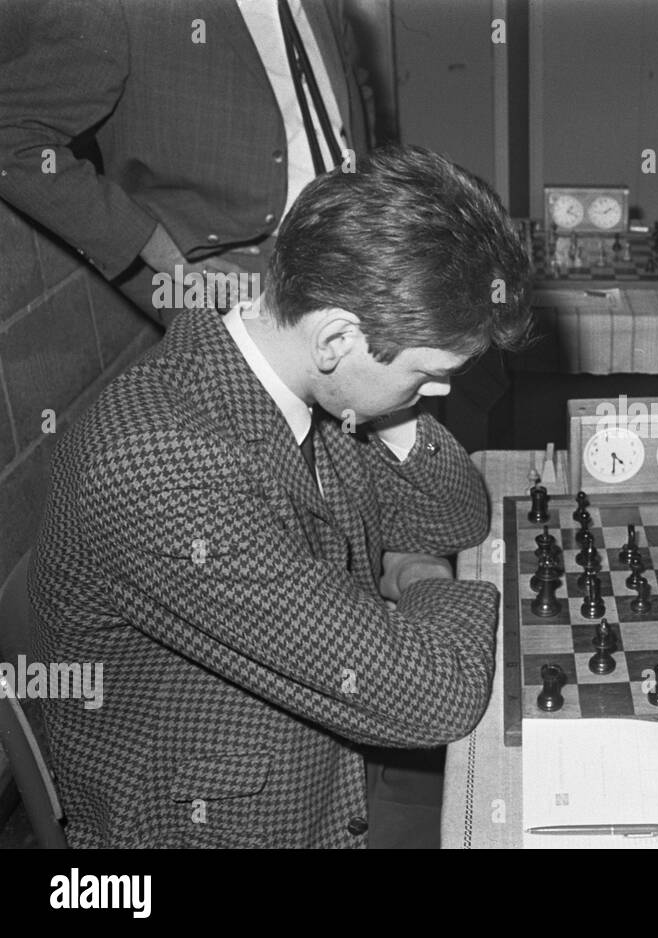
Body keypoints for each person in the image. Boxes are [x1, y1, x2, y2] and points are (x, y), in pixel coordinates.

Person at [29, 146, 532, 848]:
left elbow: (453, 513)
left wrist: (397, 401)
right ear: (335, 337)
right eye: (430, 376)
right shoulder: (166, 465)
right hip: (214, 824)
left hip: (318, 762)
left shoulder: (290, 372)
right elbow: (432, 697)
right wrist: (423, 574)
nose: (442, 393)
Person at [0, 0, 371, 322]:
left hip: (351, 236)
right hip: (233, 271)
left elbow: (346, 94)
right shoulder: (113, 12)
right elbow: (12, 136)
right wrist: (157, 246)